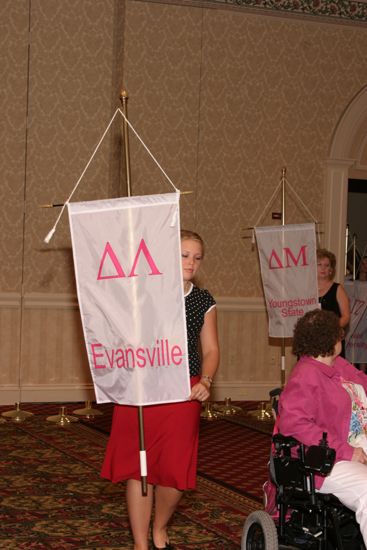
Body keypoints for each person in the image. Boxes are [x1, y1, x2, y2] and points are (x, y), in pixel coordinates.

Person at [101, 229, 220, 550]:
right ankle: (141, 543)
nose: (191, 262)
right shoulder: (142, 293)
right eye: (184, 255)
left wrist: (206, 381)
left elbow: (210, 350)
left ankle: (161, 524)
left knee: (175, 470)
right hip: (141, 387)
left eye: (197, 257)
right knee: (139, 468)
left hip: (184, 390)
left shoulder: (202, 300)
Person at [278, 309, 367, 546]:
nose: (343, 338)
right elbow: (293, 424)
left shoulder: (337, 364)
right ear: (330, 339)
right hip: (322, 461)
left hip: (353, 447)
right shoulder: (305, 376)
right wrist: (347, 451)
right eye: (339, 334)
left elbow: (363, 382)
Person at [317, 248, 350, 356]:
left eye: (327, 265)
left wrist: (330, 329)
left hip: (332, 340)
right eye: (319, 264)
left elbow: (346, 317)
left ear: (331, 269)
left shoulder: (338, 289)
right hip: (312, 340)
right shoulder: (307, 289)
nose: (323, 268)